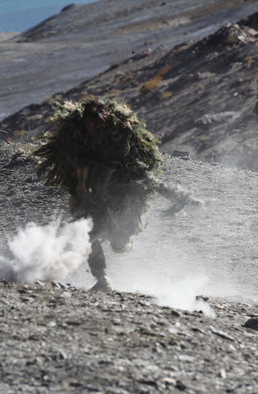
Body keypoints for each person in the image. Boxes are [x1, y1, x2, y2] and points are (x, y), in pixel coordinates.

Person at [34, 97, 196, 291]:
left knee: (119, 246)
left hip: (119, 195)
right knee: (84, 235)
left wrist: (172, 193)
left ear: (104, 121)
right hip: (90, 193)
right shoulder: (76, 135)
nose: (91, 127)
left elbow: (142, 173)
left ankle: (126, 239)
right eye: (88, 122)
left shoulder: (119, 142)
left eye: (96, 122)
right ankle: (103, 279)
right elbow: (65, 156)